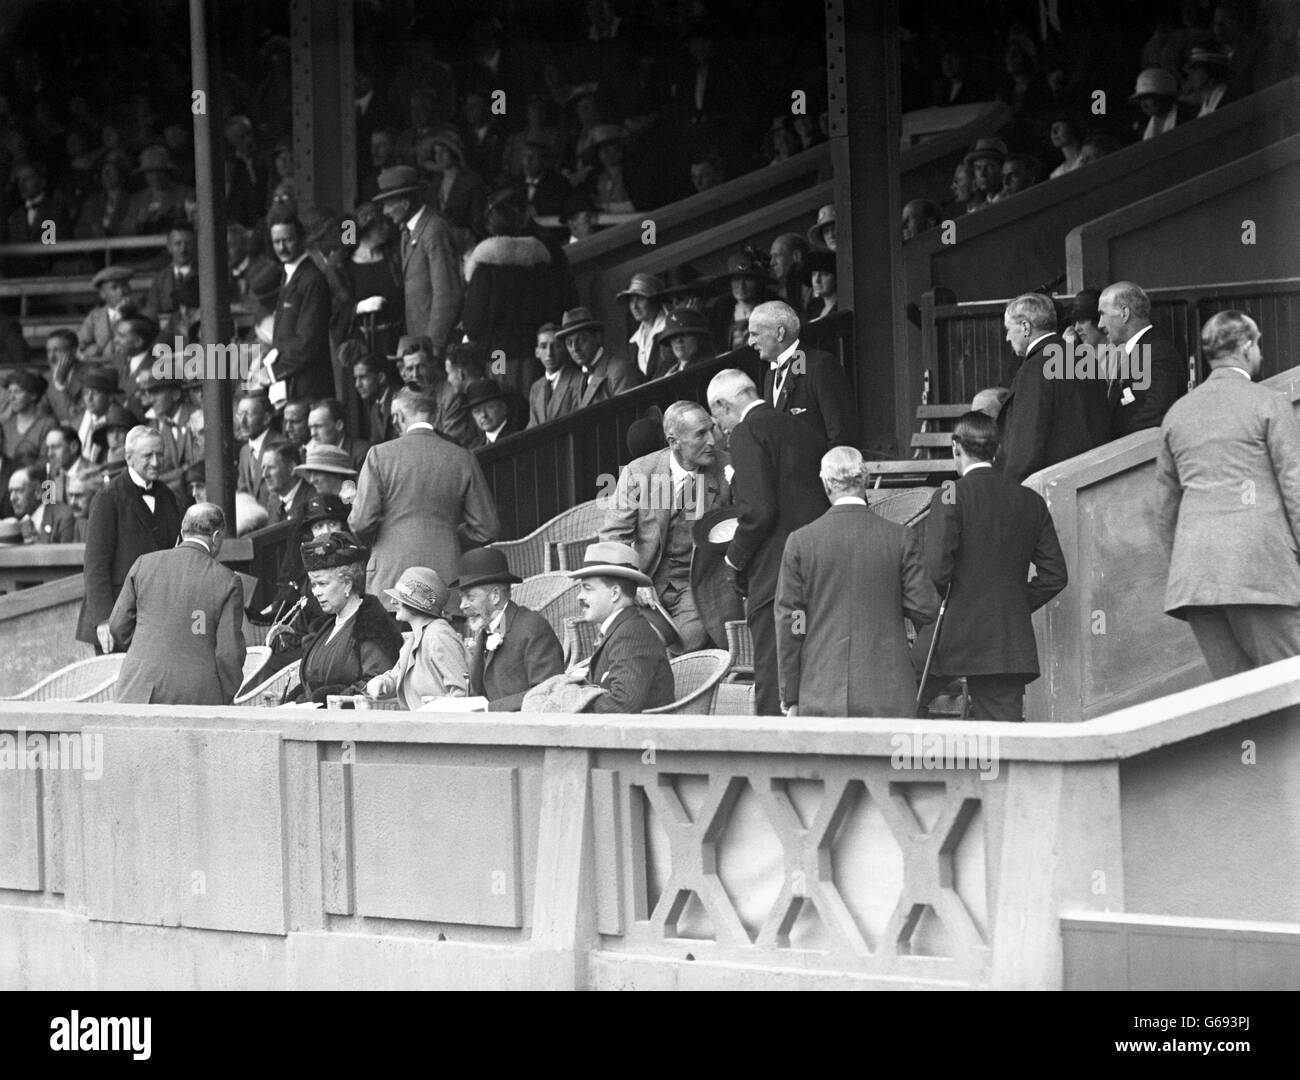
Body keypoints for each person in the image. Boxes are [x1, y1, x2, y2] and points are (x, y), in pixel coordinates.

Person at [1154, 310, 1300, 678]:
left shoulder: (1177, 413)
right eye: (1259, 344)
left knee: (1234, 699)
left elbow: (1165, 508)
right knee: (1289, 685)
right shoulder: (1268, 403)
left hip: (1197, 579)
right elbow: (1295, 487)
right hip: (1260, 570)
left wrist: (1186, 565)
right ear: (1247, 347)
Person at [918, 412, 1068, 722]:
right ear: (996, 450)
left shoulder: (950, 495)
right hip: (1006, 641)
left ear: (956, 447)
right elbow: (1055, 576)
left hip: (951, 633)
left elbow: (935, 572)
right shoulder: (1030, 499)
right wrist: (1010, 604)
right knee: (1005, 744)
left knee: (901, 701)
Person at [776, 447, 937, 717]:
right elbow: (926, 607)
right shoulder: (900, 538)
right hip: (889, 687)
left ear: (826, 483)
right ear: (865, 480)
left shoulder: (801, 542)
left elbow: (792, 621)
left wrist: (790, 694)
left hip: (820, 688)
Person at [708, 369, 829, 716]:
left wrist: (734, 559)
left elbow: (758, 511)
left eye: (717, 418)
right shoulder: (802, 427)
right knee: (810, 667)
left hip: (773, 573)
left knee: (773, 671)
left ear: (721, 404)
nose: (721, 429)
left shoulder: (747, 432)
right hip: (817, 564)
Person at [599, 401, 741, 651]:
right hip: (647, 582)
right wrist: (637, 581)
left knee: (684, 644)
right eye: (700, 434)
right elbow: (612, 537)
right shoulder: (639, 472)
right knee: (629, 645)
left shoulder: (727, 467)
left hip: (699, 583)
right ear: (674, 441)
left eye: (712, 430)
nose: (711, 441)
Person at [349, 388, 500, 613]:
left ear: (398, 417)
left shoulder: (379, 455)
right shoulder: (462, 457)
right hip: (446, 579)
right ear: (436, 415)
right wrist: (450, 534)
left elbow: (361, 522)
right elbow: (487, 528)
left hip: (391, 579)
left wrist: (384, 536)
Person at [109, 503, 246, 705]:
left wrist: (150, 647)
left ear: (182, 532)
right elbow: (229, 654)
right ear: (216, 537)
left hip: (137, 690)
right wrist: (223, 696)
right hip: (199, 697)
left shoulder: (143, 564)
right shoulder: (228, 580)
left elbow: (118, 625)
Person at [77, 426, 184, 652]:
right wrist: (104, 620)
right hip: (117, 619)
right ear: (129, 458)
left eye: (160, 454)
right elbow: (95, 565)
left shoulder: (167, 495)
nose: (156, 462)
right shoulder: (108, 498)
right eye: (148, 456)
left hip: (157, 619)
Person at [995, 292, 1108, 483]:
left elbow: (1027, 443)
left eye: (1008, 329)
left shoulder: (1034, 368)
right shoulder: (1084, 359)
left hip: (1050, 486)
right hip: (1094, 479)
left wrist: (1009, 489)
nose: (1007, 337)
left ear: (1025, 327)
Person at [288, 532, 404, 704]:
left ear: (348, 583)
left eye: (323, 584)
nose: (316, 592)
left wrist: (326, 700)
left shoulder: (372, 626)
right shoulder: (326, 626)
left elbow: (374, 685)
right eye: (313, 584)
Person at [566, 542, 675, 713]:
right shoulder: (622, 628)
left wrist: (571, 703)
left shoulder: (631, 634)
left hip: (639, 737)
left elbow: (622, 704)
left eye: (587, 589)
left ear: (615, 593)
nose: (580, 596)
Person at [453, 547, 566, 711]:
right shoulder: (487, 629)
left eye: (470, 597)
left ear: (496, 595)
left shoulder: (532, 628)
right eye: (461, 598)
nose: (462, 606)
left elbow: (547, 693)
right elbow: (478, 694)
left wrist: (490, 709)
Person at [373, 164, 463, 358]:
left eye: (388, 204)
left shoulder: (433, 230)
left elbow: (447, 294)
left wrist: (432, 344)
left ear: (405, 203)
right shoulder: (408, 232)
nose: (385, 212)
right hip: (419, 344)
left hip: (433, 348)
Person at [754, 300, 857, 449]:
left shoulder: (820, 365)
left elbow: (841, 436)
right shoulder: (770, 375)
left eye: (755, 334)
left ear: (779, 333)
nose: (751, 342)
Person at [364, 567, 469, 708]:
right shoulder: (416, 637)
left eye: (399, 598)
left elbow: (462, 693)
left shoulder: (438, 635)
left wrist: (435, 706)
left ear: (416, 605)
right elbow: (397, 675)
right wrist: (383, 682)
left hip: (442, 726)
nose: (393, 602)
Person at [258, 215, 335, 402]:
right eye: (277, 241)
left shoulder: (312, 279)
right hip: (292, 385)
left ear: (301, 238)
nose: (282, 248)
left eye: (288, 240)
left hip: (309, 386)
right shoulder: (288, 274)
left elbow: (309, 341)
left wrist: (272, 372)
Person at [1097, 280, 1185, 437]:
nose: (1100, 324)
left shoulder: (1157, 353)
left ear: (1124, 313)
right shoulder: (1142, 350)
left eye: (1103, 314)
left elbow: (1156, 416)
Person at [554, 306, 640, 408]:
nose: (575, 348)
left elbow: (630, 415)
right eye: (569, 343)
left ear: (597, 338)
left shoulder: (619, 371)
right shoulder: (582, 377)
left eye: (581, 340)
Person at [138, 371, 199, 501]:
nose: (151, 400)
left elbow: (196, 466)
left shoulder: (197, 417)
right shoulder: (156, 425)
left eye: (157, 392)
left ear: (175, 394)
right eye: (150, 393)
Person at [235, 389, 286, 509]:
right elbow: (243, 493)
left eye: (249, 414)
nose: (242, 422)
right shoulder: (245, 451)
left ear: (267, 418)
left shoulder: (282, 446)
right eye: (239, 414)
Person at [527, 322, 583, 427]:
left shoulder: (579, 381)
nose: (549, 353)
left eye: (556, 346)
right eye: (543, 347)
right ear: (537, 352)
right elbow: (532, 427)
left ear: (566, 349)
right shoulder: (536, 387)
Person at [77, 265, 134, 364]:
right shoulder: (95, 317)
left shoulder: (142, 314)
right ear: (103, 294)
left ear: (129, 288)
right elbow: (79, 346)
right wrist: (93, 350)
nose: (121, 291)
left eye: (124, 285)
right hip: (101, 371)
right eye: (114, 287)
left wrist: (123, 315)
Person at [2, 371, 59, 467]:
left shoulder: (48, 424)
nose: (11, 397)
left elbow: (47, 461)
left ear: (33, 395)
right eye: (10, 392)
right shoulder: (5, 425)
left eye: (17, 392)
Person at [144, 223, 198, 323]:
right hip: (169, 334)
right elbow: (152, 314)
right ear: (169, 247)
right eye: (178, 244)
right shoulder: (160, 280)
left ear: (195, 246)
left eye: (188, 244)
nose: (183, 249)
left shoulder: (205, 276)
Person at [618, 273, 668, 378]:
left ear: (654, 300)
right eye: (631, 300)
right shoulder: (634, 342)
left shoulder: (669, 329)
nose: (634, 306)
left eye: (640, 299)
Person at [7, 467, 75, 543]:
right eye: (10, 492)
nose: (12, 498)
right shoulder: (21, 526)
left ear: (38, 492)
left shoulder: (63, 517)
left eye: (19, 491)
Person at [1129, 68, 1196, 140]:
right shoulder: (1142, 125)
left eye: (1147, 98)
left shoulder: (1189, 120)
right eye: (1140, 99)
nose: (1143, 105)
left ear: (1164, 96)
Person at [650, 309, 715, 380]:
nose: (678, 341)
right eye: (674, 336)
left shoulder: (707, 366)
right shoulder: (665, 366)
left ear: (699, 338)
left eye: (685, 334)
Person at [307, 398, 370, 471]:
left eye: (318, 426)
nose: (312, 433)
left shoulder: (362, 454)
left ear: (339, 425)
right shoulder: (314, 456)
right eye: (310, 427)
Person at [351, 349, 398, 444]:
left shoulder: (401, 401)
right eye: (356, 379)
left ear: (381, 377)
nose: (357, 384)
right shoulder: (375, 409)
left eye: (363, 377)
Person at [44, 425, 97, 504]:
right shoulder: (52, 477)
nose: (50, 454)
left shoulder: (95, 475)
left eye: (56, 447)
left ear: (73, 447)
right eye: (48, 448)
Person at [464, 379, 519, 449]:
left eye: (489, 407)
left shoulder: (516, 439)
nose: (483, 415)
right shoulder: (474, 446)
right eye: (477, 411)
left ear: (504, 407)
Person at [768, 233, 809, 308]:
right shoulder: (780, 293)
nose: (772, 263)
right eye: (772, 257)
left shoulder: (815, 289)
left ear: (797, 256)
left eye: (777, 256)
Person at [803, 250, 838, 322]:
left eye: (824, 274)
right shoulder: (814, 306)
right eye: (814, 274)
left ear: (836, 278)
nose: (817, 280)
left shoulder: (841, 307)